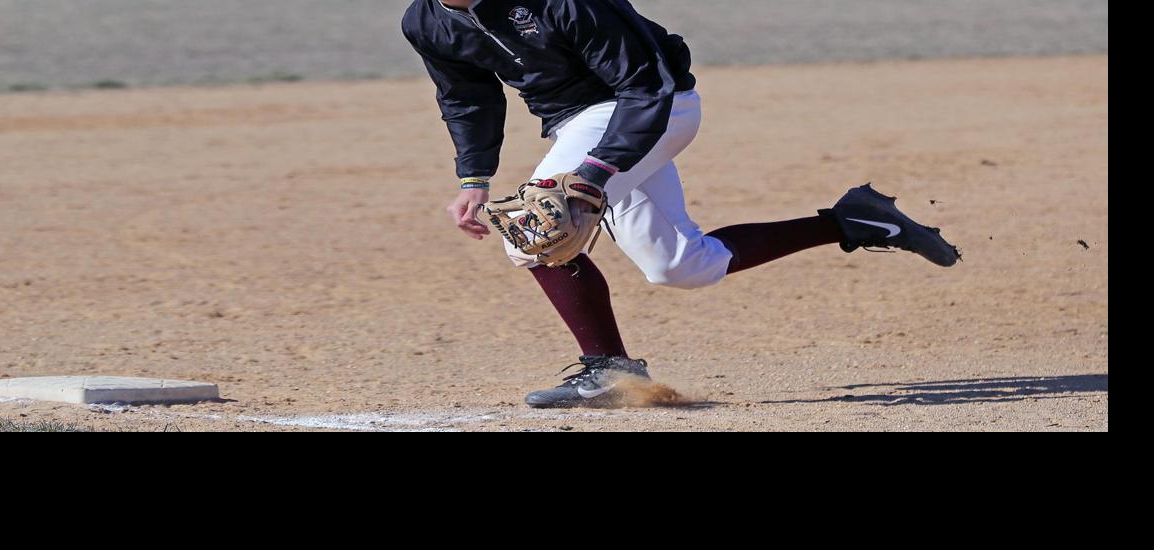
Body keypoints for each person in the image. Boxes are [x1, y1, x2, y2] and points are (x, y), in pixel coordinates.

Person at [403, 0, 960, 408]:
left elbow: (648, 85)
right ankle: (854, 220)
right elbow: (466, 96)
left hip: (649, 106)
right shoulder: (426, 21)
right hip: (577, 125)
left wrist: (595, 173)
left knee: (533, 232)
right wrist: (474, 176)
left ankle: (608, 369)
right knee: (680, 266)